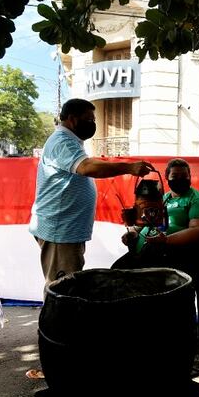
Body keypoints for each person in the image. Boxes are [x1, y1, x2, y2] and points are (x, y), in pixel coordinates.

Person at [29, 98, 154, 285]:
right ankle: (60, 316)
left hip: (66, 230)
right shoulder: (62, 142)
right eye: (89, 119)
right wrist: (129, 168)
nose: (93, 124)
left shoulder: (71, 141)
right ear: (72, 118)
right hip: (59, 230)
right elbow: (87, 167)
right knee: (62, 289)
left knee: (69, 284)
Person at [114, 158, 199, 338]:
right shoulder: (164, 198)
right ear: (167, 178)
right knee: (117, 273)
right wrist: (133, 232)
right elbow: (146, 223)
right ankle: (137, 324)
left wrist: (166, 240)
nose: (180, 179)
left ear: (190, 177)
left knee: (139, 277)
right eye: (175, 176)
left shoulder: (197, 201)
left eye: (184, 176)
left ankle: (167, 330)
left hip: (191, 257)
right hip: (156, 253)